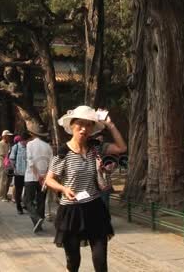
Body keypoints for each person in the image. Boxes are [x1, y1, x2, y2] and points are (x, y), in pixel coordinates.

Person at [44, 105, 126, 272]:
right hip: (71, 211)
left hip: (94, 208)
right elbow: (49, 180)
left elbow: (121, 148)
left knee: (100, 260)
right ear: (72, 126)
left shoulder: (95, 148)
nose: (84, 129)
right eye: (80, 124)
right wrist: (64, 189)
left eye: (88, 125)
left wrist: (110, 125)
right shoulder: (63, 153)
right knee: (73, 261)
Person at [24, 125, 52, 232]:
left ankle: (37, 218)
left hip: (31, 177)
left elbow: (31, 162)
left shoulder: (30, 144)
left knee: (27, 200)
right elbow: (51, 164)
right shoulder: (48, 146)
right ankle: (38, 224)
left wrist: (37, 176)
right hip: (44, 178)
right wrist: (44, 176)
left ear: (33, 134)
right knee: (41, 200)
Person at [10, 132, 29, 214]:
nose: (27, 142)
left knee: (28, 190)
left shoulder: (29, 147)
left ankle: (26, 204)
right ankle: (19, 207)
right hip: (19, 173)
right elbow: (11, 159)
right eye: (27, 141)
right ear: (22, 140)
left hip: (28, 173)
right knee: (19, 191)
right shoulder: (16, 147)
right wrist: (15, 169)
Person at [0, 130, 13, 201]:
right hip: (3, 164)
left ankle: (5, 195)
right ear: (4, 136)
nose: (9, 137)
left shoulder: (8, 144)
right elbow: (3, 154)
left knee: (7, 181)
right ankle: (1, 196)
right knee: (3, 180)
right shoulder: (0, 144)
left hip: (8, 163)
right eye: (8, 136)